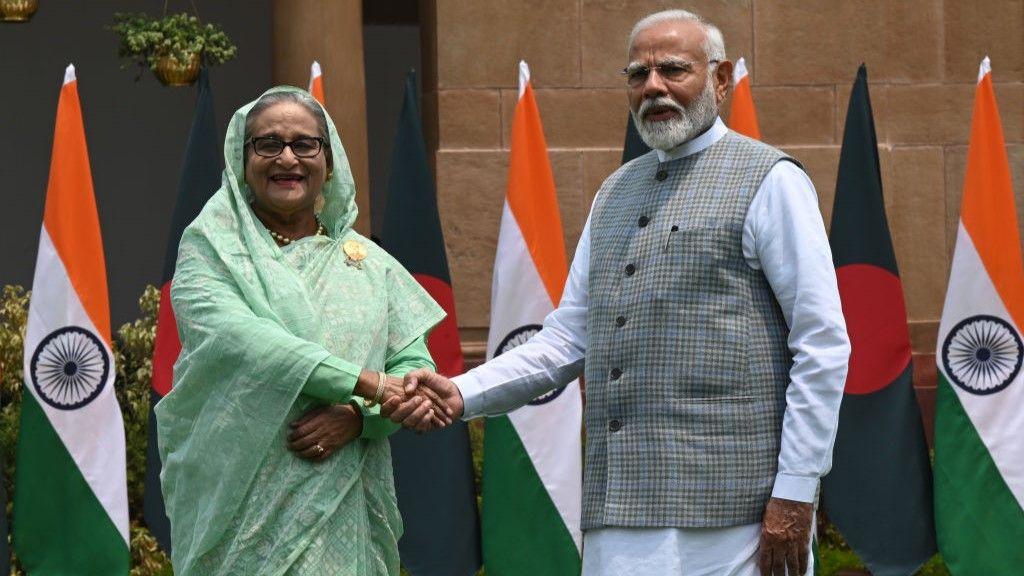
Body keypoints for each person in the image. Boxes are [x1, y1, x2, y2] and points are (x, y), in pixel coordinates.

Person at [385, 9, 850, 576]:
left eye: (673, 70)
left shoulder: (771, 179)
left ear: (721, 79)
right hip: (619, 512)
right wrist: (460, 393)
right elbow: (565, 341)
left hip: (740, 516)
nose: (652, 86)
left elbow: (822, 344)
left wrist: (796, 491)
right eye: (638, 74)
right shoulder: (614, 193)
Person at [156, 86, 449, 575]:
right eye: (268, 144)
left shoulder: (371, 264)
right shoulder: (210, 251)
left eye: (305, 144)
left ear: (328, 162)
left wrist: (360, 417)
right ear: (242, 161)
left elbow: (414, 367)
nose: (287, 158)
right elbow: (242, 341)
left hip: (343, 507)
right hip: (241, 508)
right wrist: (367, 384)